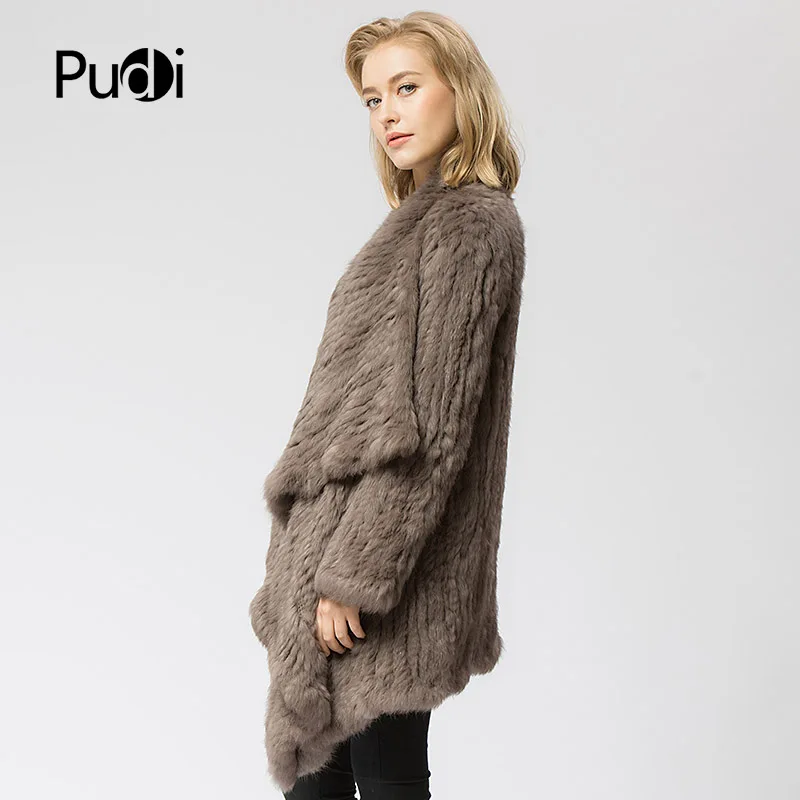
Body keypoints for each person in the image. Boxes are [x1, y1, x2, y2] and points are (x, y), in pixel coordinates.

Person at [249, 11, 526, 798]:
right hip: (335, 562)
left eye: (406, 88)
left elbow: (435, 427)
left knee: (385, 775)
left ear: (462, 91)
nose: (387, 114)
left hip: (385, 574)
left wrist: (355, 574)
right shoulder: (415, 224)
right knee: (325, 780)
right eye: (373, 99)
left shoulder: (471, 224)